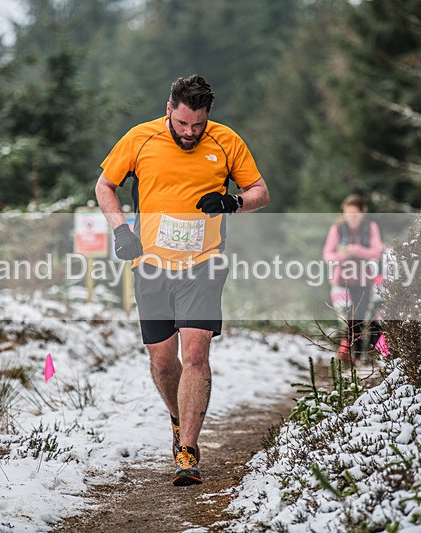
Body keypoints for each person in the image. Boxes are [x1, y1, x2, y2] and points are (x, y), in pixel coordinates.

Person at [94, 74, 269, 486]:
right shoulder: (140, 138)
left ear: (208, 116)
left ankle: (187, 450)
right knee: (162, 359)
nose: (190, 133)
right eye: (183, 123)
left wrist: (233, 201)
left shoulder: (226, 141)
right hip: (151, 266)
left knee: (195, 354)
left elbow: (260, 191)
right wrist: (121, 230)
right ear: (169, 108)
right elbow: (105, 185)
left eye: (198, 125)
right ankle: (178, 418)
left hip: (203, 265)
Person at [322, 194, 384, 363]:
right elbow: (328, 255)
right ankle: (351, 354)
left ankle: (359, 355)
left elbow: (377, 252)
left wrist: (357, 250)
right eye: (348, 214)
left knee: (361, 316)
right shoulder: (337, 229)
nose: (351, 218)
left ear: (362, 213)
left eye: (355, 214)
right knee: (348, 317)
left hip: (365, 279)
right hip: (342, 280)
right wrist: (342, 255)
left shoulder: (371, 227)